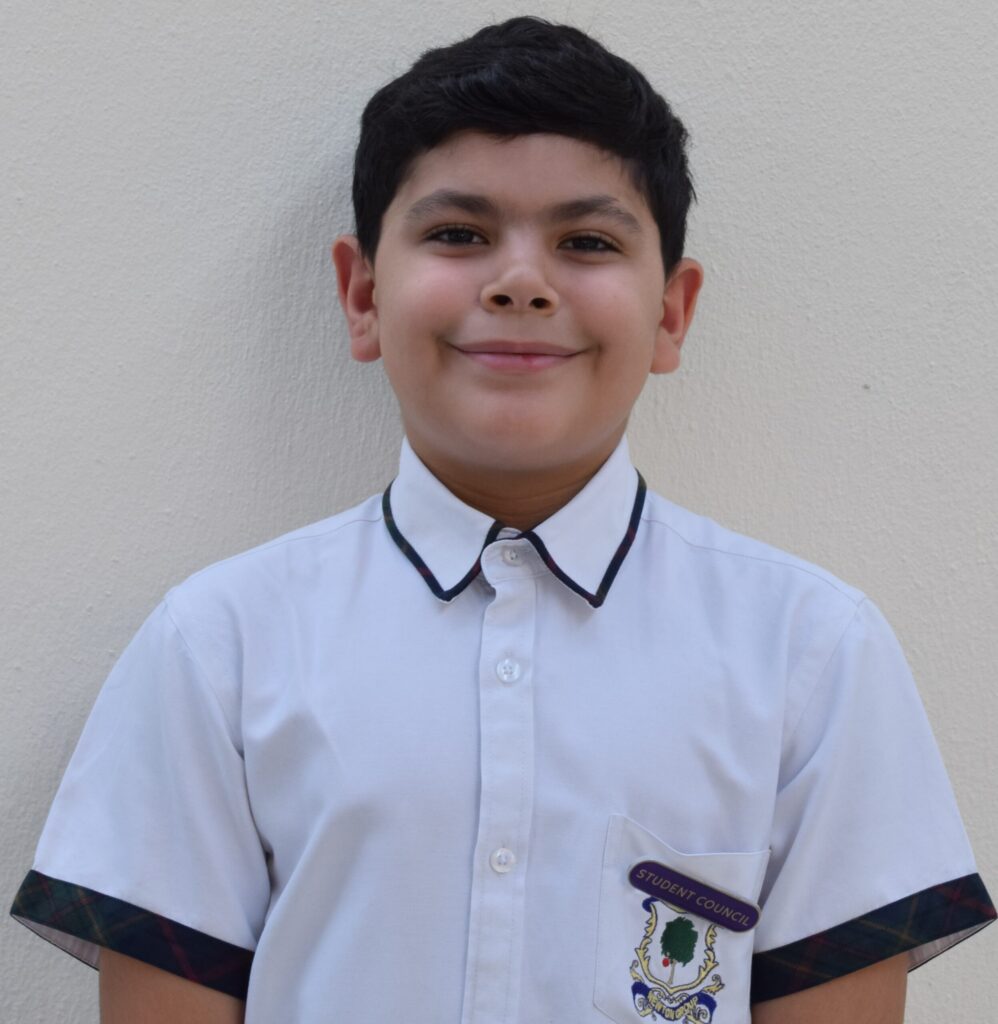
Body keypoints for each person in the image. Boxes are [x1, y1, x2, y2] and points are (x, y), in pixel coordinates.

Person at [11, 16, 994, 1024]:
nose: (520, 282)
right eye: (458, 234)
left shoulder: (810, 653)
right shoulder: (218, 645)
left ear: (670, 312)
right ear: (361, 293)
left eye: (586, 242)